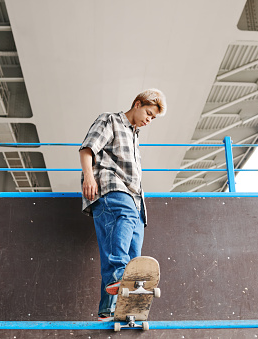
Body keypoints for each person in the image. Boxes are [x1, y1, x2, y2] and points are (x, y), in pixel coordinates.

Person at [79, 89, 167, 321]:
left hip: (136, 199)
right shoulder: (111, 120)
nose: (149, 120)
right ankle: (120, 275)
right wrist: (88, 177)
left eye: (153, 118)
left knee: (131, 253)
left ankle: (109, 310)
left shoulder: (135, 136)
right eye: (148, 113)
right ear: (137, 104)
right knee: (125, 224)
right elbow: (88, 148)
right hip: (111, 187)